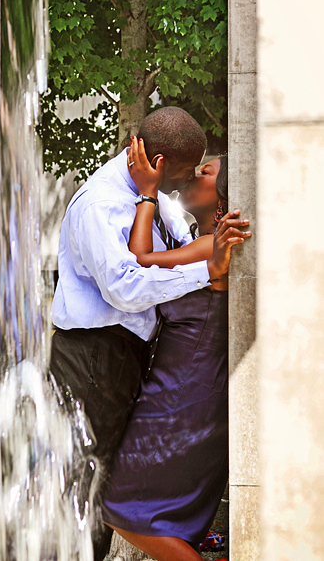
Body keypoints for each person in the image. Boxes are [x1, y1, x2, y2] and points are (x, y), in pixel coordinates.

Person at [48, 106, 233, 560]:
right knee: (82, 489)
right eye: (190, 170)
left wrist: (151, 198)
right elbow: (125, 286)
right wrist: (206, 272)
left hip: (135, 362)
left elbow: (154, 256)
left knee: (103, 489)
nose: (190, 179)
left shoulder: (159, 202)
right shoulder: (100, 203)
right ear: (163, 164)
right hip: (91, 358)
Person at [101, 141, 250, 561]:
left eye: (206, 173)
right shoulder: (206, 242)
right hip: (187, 382)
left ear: (221, 201)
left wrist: (148, 192)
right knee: (134, 508)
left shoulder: (213, 246)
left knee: (124, 509)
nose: (195, 173)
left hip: (186, 388)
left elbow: (140, 260)